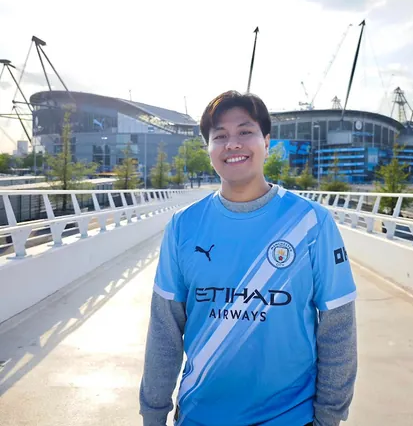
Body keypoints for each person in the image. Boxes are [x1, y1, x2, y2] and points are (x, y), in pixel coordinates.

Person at [140, 90, 357, 426]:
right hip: (199, 416)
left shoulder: (311, 222)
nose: (233, 144)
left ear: (266, 142)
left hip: (289, 417)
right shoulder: (184, 225)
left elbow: (338, 326)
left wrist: (328, 417)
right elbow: (164, 329)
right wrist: (153, 414)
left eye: (245, 131)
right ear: (208, 148)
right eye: (220, 136)